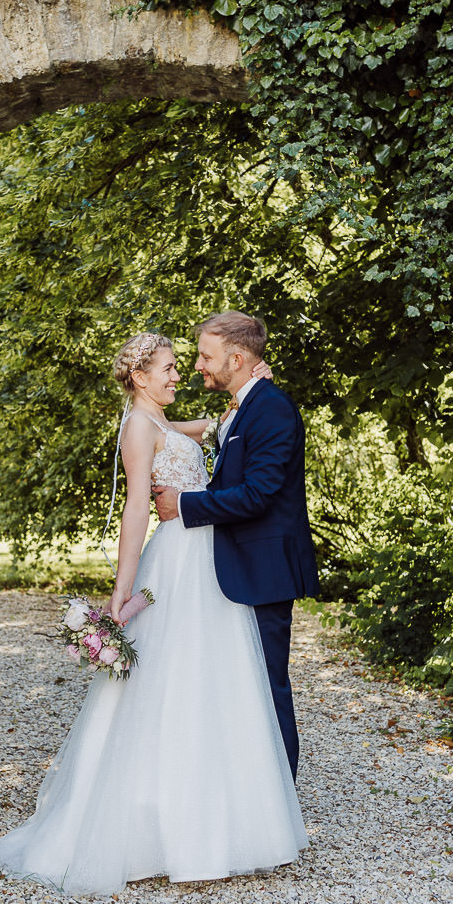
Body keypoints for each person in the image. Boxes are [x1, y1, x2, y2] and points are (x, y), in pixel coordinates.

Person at [0, 331, 308, 894]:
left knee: (216, 684)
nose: (179, 374)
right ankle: (162, 824)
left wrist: (244, 397)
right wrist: (121, 592)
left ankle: (224, 812)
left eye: (186, 364)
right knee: (171, 686)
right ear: (139, 377)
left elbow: (199, 433)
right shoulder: (139, 426)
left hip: (208, 561)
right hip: (179, 562)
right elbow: (137, 509)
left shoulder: (160, 423)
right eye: (167, 368)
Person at [153, 311, 320, 780]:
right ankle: (249, 791)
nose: (199, 365)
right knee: (242, 685)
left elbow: (259, 493)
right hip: (239, 567)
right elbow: (222, 444)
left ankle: (279, 796)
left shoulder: (270, 408)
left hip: (264, 570)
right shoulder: (243, 406)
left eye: (206, 356)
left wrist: (186, 505)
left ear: (238, 357)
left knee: (268, 686)